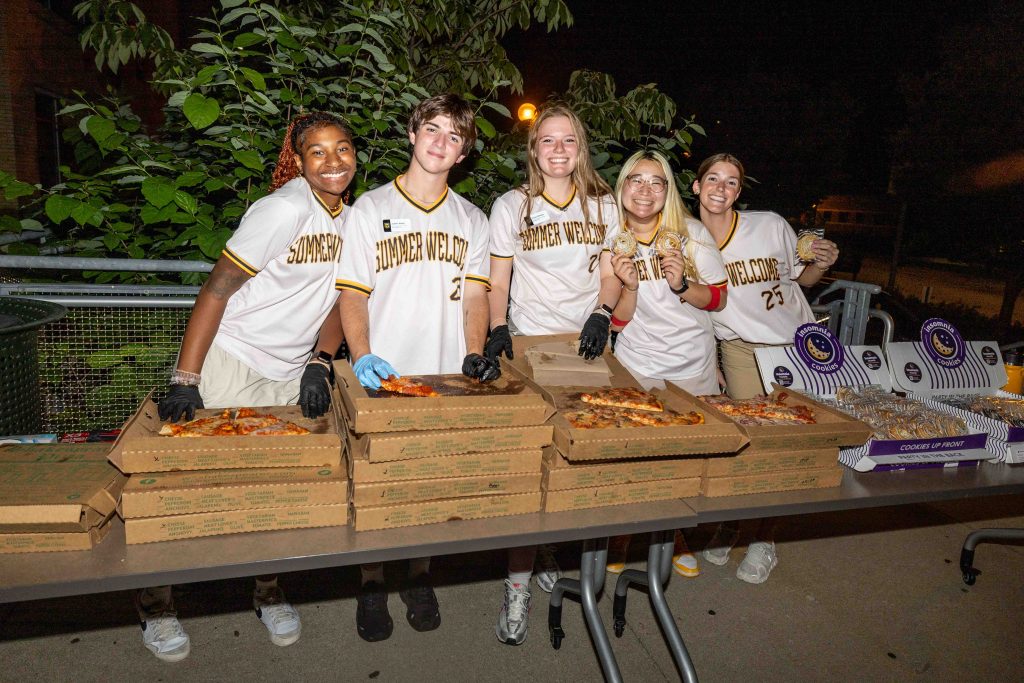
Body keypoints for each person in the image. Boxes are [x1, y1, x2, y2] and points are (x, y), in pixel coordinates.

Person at [146, 111, 356, 661]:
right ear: (298, 159)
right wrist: (187, 380)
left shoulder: (348, 219)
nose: (332, 161)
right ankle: (158, 601)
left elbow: (339, 299)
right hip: (232, 359)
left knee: (274, 486)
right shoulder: (283, 209)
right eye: (318, 151)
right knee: (197, 482)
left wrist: (318, 360)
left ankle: (266, 590)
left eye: (343, 148)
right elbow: (216, 289)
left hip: (286, 372)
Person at [337, 93, 500, 643]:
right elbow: (353, 294)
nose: (441, 143)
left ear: (463, 153)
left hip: (444, 376)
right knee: (379, 484)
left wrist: (473, 352)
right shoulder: (368, 209)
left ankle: (420, 576)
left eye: (455, 137)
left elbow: (477, 296)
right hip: (384, 374)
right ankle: (371, 581)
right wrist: (360, 355)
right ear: (412, 134)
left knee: (432, 486)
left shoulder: (472, 220)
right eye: (432, 129)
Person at [485, 103, 621, 645]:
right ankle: (517, 584)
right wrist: (498, 330)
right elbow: (499, 277)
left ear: (580, 147)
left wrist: (602, 312)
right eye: (547, 141)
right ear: (534, 148)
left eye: (568, 141)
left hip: (586, 350)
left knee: (578, 458)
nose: (558, 150)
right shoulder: (512, 205)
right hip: (530, 346)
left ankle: (549, 548)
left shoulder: (603, 205)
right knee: (531, 462)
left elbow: (611, 272)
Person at [692, 152, 839, 584]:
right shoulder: (686, 239)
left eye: (732, 181)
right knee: (751, 440)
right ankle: (738, 522)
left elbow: (803, 280)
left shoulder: (770, 224)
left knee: (787, 443)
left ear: (739, 191)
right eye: (713, 179)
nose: (721, 188)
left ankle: (764, 537)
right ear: (697, 186)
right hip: (739, 350)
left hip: (795, 346)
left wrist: (821, 263)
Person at [602, 150, 729, 579]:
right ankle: (622, 533)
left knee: (682, 455)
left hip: (691, 362)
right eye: (636, 180)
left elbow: (718, 297)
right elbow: (618, 321)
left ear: (668, 191)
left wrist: (681, 283)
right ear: (622, 188)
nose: (645, 190)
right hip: (637, 361)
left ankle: (672, 534)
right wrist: (631, 285)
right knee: (632, 453)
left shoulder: (690, 234)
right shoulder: (612, 237)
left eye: (656, 182)